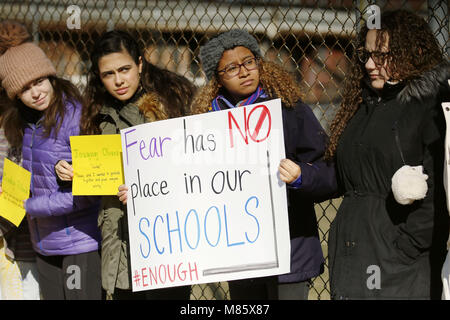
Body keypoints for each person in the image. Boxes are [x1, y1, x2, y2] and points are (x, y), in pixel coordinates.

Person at [187, 29, 337, 300]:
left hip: (290, 250)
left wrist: (302, 176)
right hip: (238, 255)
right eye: (231, 67)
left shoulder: (291, 111)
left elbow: (330, 172)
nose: (244, 71)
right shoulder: (205, 125)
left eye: (249, 62)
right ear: (216, 79)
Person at [55, 30, 196, 300]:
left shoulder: (174, 104)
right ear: (99, 76)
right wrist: (70, 170)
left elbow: (194, 171)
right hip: (118, 238)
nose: (119, 80)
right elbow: (97, 169)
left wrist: (146, 191)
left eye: (125, 69)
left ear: (140, 64)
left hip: (166, 241)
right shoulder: (95, 112)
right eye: (108, 74)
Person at [325, 10, 450, 299]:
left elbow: (439, 194)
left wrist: (404, 247)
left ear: (413, 52)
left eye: (381, 55)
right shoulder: (364, 104)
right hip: (354, 255)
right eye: (365, 54)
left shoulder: (429, 107)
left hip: (399, 267)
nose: (370, 64)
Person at [0, 20, 102, 300]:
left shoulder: (77, 117)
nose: (36, 92)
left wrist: (31, 206)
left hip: (78, 243)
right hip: (43, 244)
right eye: (25, 88)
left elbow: (89, 192)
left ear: (51, 77)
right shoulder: (24, 124)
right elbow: (21, 175)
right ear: (15, 95)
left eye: (39, 81)